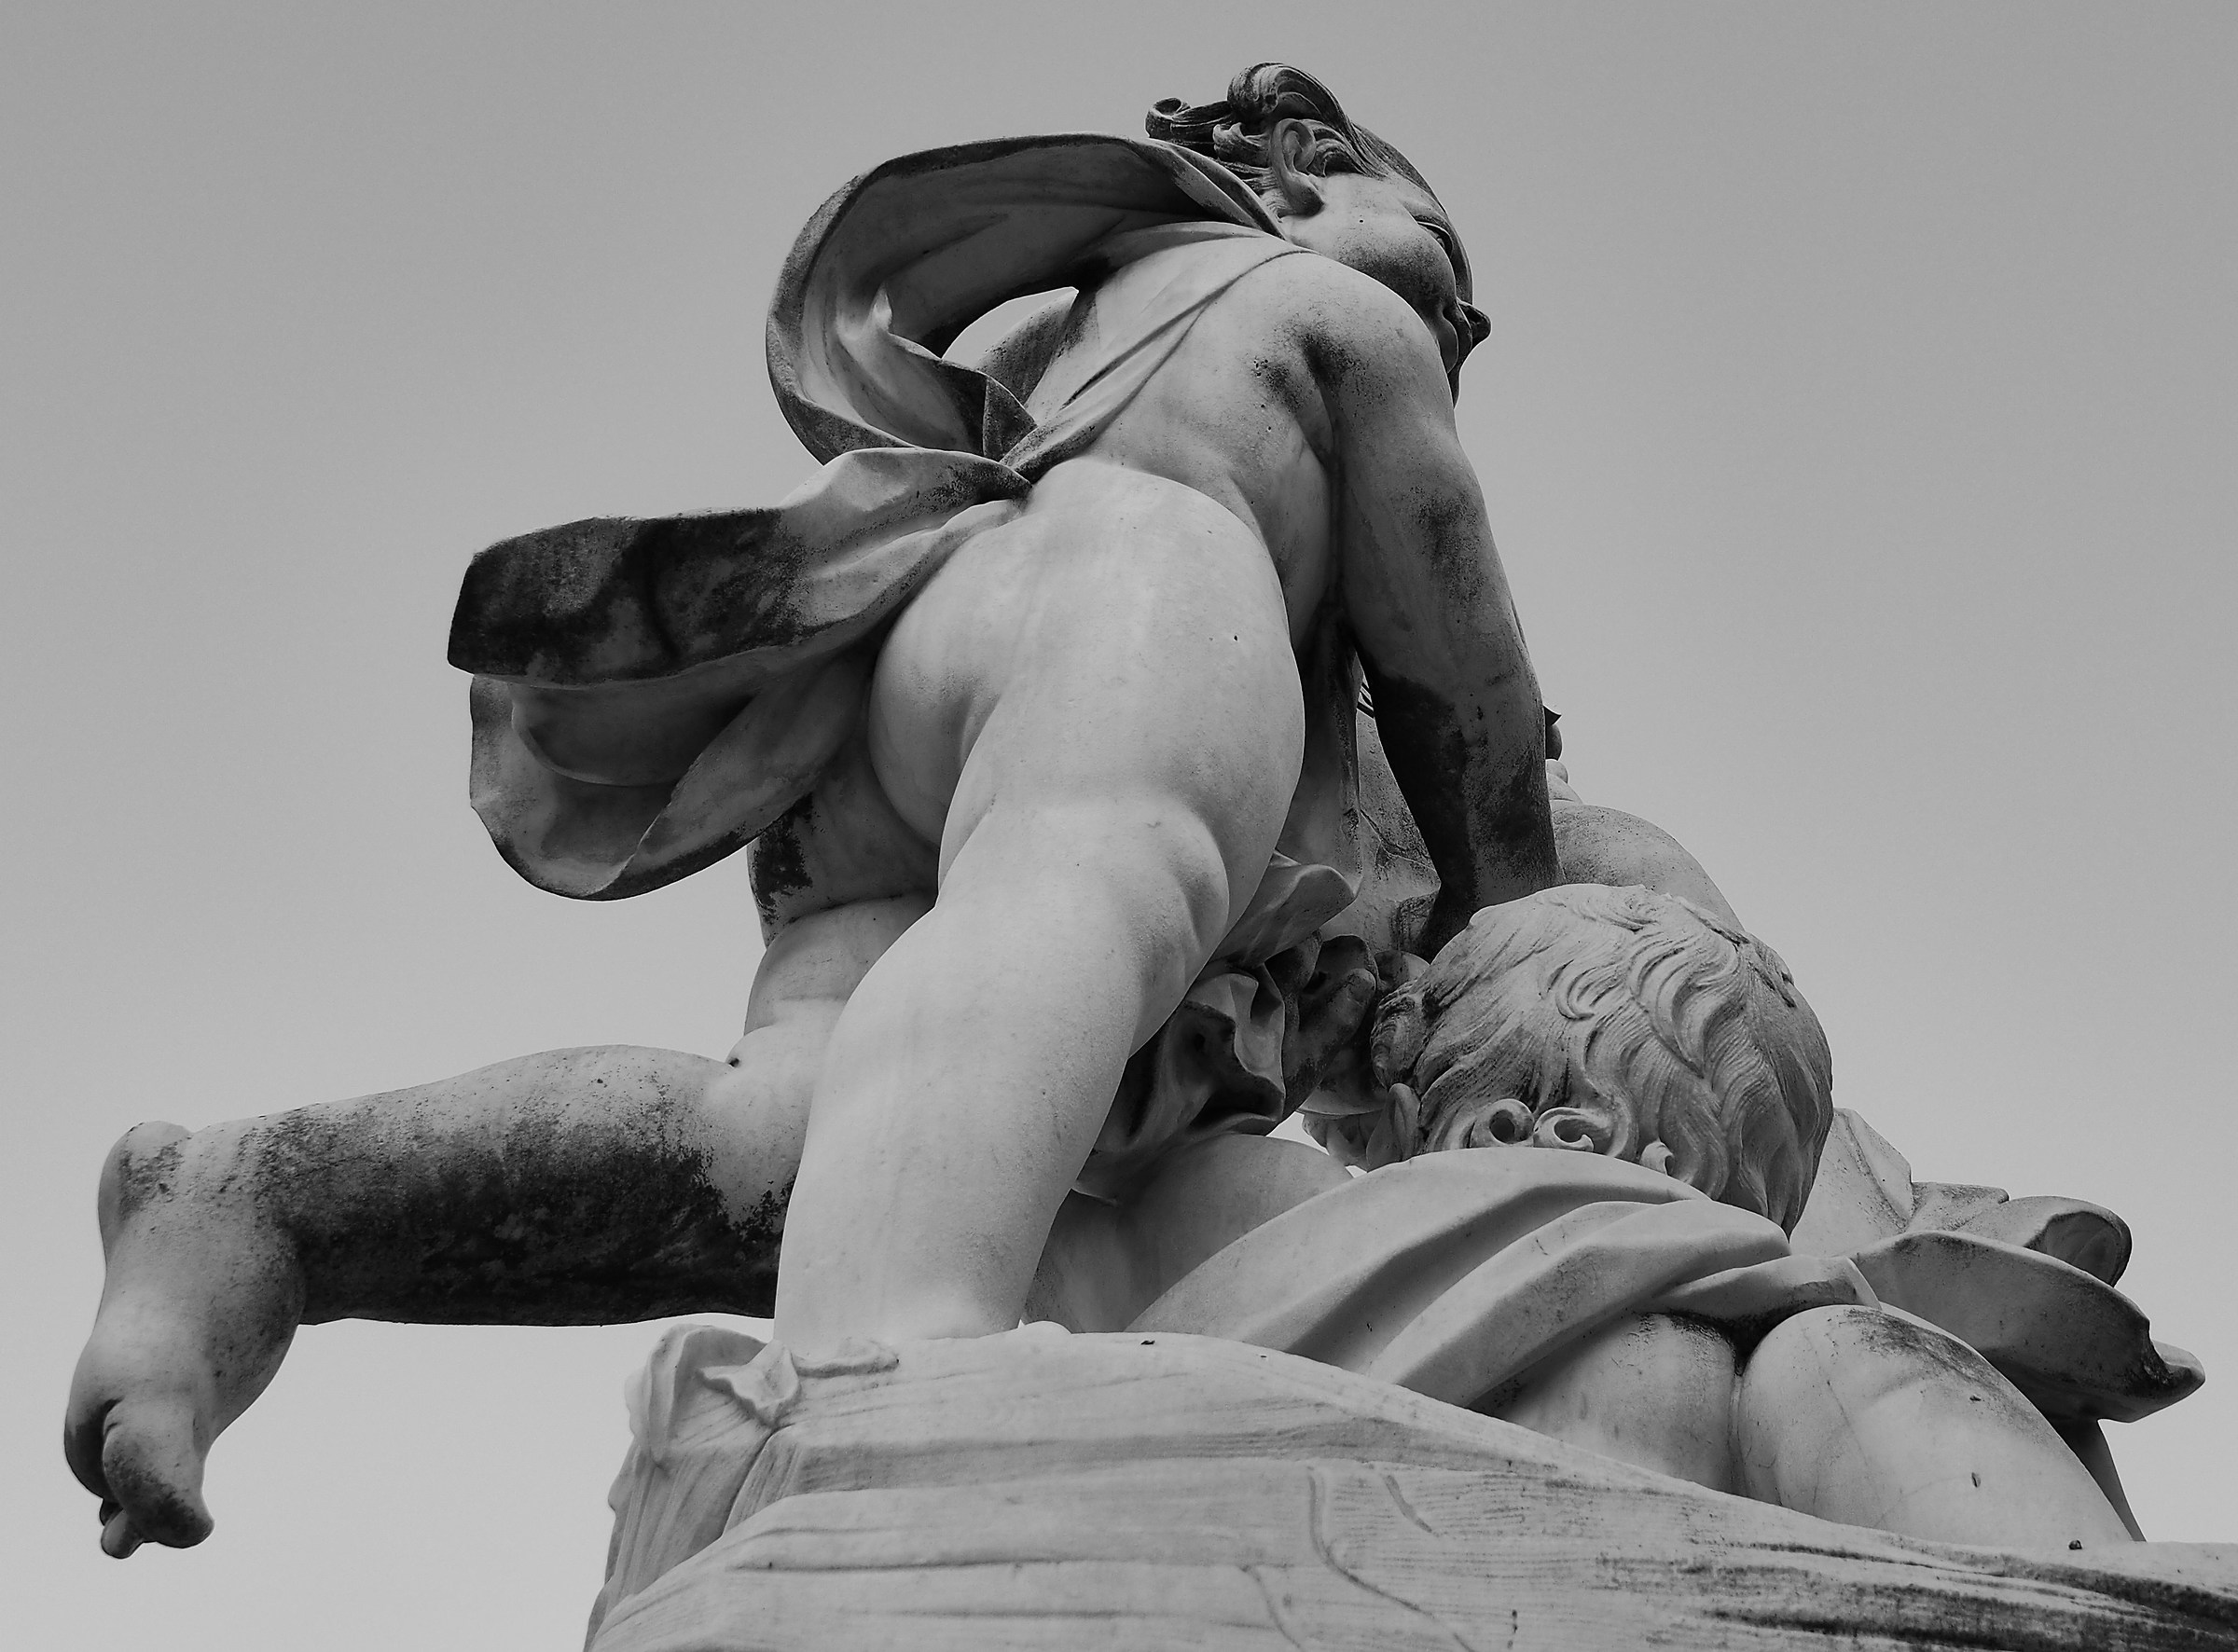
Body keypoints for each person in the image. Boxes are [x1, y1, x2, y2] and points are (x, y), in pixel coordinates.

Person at [66, 65, 1560, 1558]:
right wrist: (1517, 915)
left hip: (902, 662)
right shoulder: (1326, 315)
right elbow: (1459, 670)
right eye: (1446, 266)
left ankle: (259, 1208)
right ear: (1297, 171)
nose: (1465, 328)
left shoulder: (1067, 348)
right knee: (1089, 884)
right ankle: (890, 1368)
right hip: (1138, 599)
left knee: (791, 1127)